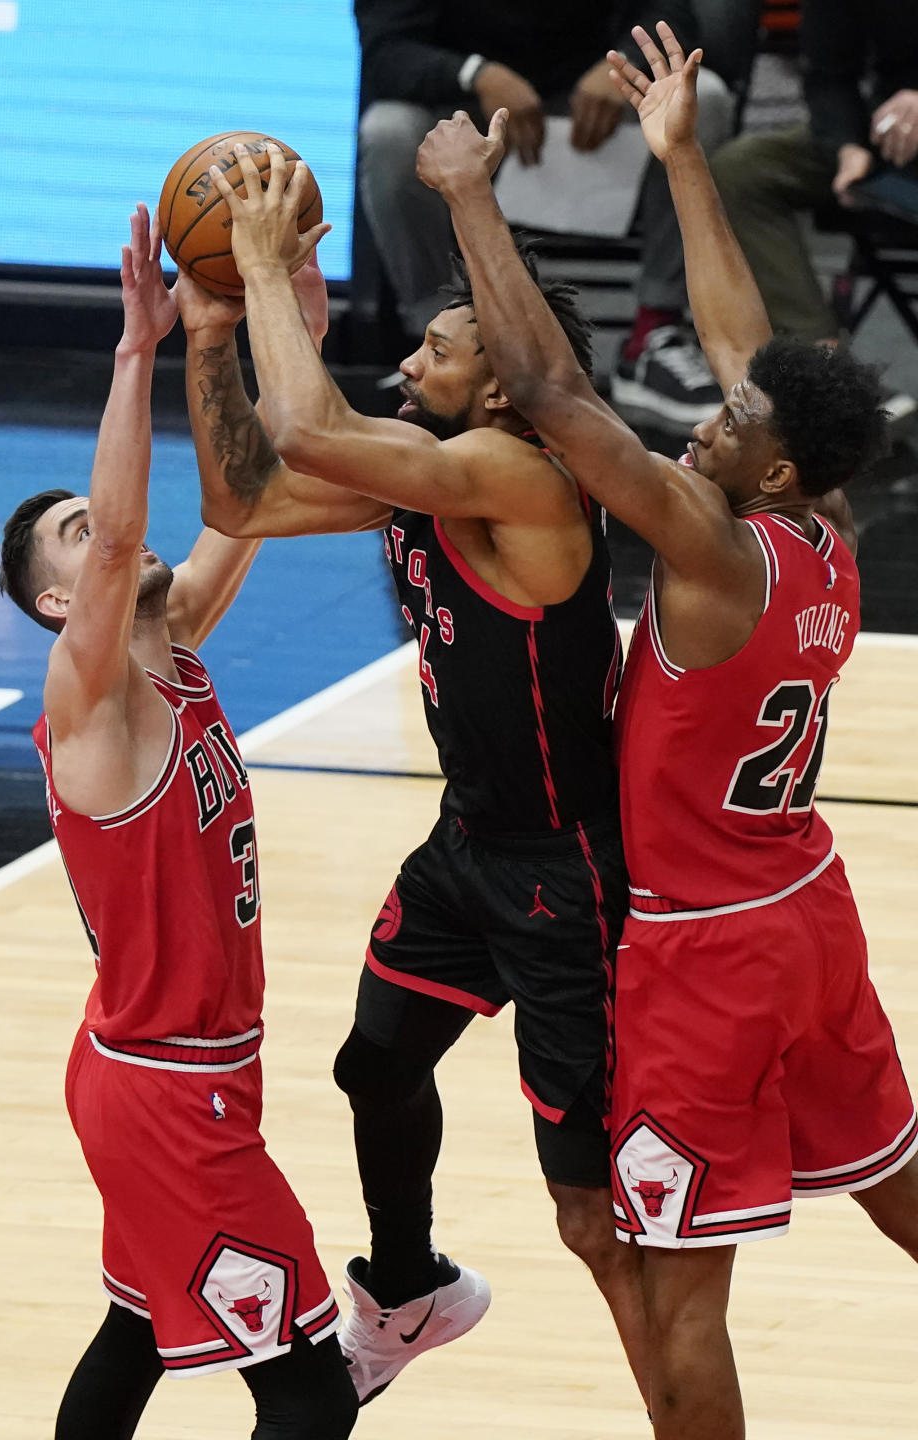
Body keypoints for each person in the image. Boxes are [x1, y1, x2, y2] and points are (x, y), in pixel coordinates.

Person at [413, 21, 918, 1438]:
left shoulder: (709, 543)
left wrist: (471, 201)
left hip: (703, 955)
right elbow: (743, 338)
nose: (709, 415)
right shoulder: (820, 527)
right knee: (897, 1184)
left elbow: (563, 399)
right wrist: (686, 160)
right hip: (810, 912)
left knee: (675, 1285)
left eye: (732, 421)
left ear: (772, 463)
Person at [188, 148, 651, 1412]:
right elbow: (243, 492)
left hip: (566, 874)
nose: (411, 365)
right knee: (375, 1067)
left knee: (586, 1207)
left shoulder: (521, 474)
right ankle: (408, 1288)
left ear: (498, 382)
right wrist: (215, 328)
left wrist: (277, 268)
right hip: (468, 848)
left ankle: (681, 1397)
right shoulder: (424, 470)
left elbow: (307, 426)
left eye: (437, 351)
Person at [0, 206, 358, 1440]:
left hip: (186, 1071)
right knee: (312, 1390)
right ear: (56, 598)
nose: (102, 534)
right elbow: (123, 554)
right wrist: (135, 352)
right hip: (164, 1092)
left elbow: (250, 491)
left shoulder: (177, 644)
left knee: (140, 1331)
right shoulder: (89, 697)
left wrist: (281, 329)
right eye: (76, 531)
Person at [354, 0, 755, 428]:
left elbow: (668, 11)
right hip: (466, 105)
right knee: (388, 132)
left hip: (592, 102)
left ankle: (654, 335)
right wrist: (475, 73)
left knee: (701, 97)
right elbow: (385, 53)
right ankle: (435, 344)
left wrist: (621, 64)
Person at [709, 0, 918, 415]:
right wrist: (846, 145)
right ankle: (825, 371)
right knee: (742, 171)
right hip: (891, 135)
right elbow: (828, 76)